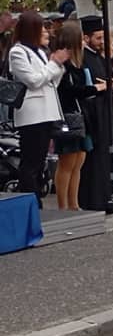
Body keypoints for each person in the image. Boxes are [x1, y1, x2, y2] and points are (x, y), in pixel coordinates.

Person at [8, 12, 64, 202]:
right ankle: (29, 199)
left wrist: (57, 66)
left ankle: (36, 194)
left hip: (47, 111)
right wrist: (53, 65)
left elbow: (50, 81)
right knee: (31, 160)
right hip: (31, 114)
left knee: (40, 160)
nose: (45, 31)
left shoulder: (40, 51)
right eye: (41, 27)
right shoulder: (17, 52)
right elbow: (33, 80)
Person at [78, 16, 113, 213]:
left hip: (106, 111)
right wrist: (108, 83)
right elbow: (88, 87)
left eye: (103, 38)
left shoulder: (101, 58)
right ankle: (96, 199)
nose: (102, 42)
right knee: (96, 159)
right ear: (86, 37)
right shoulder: (83, 58)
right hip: (94, 113)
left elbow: (108, 82)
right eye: (98, 38)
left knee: (109, 155)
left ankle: (111, 197)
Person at [51, 23, 103, 211]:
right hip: (67, 115)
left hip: (81, 115)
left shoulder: (78, 64)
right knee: (67, 161)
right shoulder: (62, 65)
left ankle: (74, 203)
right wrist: (95, 88)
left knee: (78, 161)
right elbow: (68, 91)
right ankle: (62, 205)